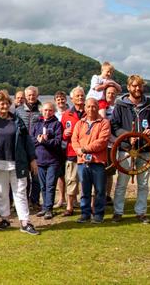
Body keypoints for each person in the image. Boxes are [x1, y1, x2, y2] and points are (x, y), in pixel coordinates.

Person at [0, 91, 40, 235]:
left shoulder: (17, 120)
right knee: (2, 193)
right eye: (1, 103)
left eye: (6, 103)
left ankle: (25, 222)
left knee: (20, 191)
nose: (4, 106)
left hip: (18, 162)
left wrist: (32, 159)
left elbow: (27, 140)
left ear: (10, 104)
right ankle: (5, 219)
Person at [111, 75, 150, 224]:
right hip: (125, 149)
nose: (137, 89)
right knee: (121, 183)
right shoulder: (120, 105)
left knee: (144, 184)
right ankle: (118, 212)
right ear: (128, 87)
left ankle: (141, 212)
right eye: (134, 86)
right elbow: (114, 126)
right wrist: (126, 136)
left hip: (145, 151)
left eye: (139, 86)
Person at [71, 98, 111, 224]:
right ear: (85, 108)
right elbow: (74, 139)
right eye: (88, 106)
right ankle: (85, 214)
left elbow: (102, 141)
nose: (91, 109)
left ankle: (98, 214)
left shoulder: (104, 123)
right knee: (85, 190)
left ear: (98, 107)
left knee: (99, 190)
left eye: (93, 106)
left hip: (98, 162)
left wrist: (84, 149)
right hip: (83, 161)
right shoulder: (79, 123)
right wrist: (78, 151)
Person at [31, 102, 63, 219]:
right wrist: (39, 140)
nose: (47, 112)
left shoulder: (57, 124)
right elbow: (31, 141)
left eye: (49, 110)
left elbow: (58, 142)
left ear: (53, 111)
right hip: (39, 160)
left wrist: (46, 141)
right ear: (41, 111)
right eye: (45, 110)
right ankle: (44, 207)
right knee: (43, 186)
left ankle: (49, 209)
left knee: (50, 185)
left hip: (52, 161)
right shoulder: (37, 124)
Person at [16, 86, 43, 210]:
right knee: (24, 178)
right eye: (29, 95)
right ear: (25, 96)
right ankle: (24, 202)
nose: (31, 97)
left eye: (33, 95)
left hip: (37, 147)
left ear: (37, 96)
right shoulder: (18, 111)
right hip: (22, 148)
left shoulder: (42, 110)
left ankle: (35, 201)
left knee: (36, 177)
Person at [61, 86, 86, 216]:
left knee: (87, 180)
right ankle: (70, 207)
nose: (80, 98)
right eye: (77, 96)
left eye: (82, 95)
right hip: (72, 152)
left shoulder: (91, 112)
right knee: (71, 180)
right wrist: (65, 134)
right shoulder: (66, 115)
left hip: (88, 152)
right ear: (72, 99)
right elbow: (61, 135)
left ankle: (87, 206)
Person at [100, 85, 120, 204]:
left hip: (115, 143)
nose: (111, 95)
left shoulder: (119, 107)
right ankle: (100, 194)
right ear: (105, 94)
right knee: (101, 170)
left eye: (113, 93)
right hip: (104, 143)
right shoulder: (102, 106)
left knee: (110, 172)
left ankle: (107, 195)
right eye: (108, 93)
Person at [53, 90, 69, 209]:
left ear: (66, 100)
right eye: (58, 99)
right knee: (60, 174)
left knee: (72, 174)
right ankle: (61, 199)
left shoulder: (71, 113)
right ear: (55, 101)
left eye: (62, 99)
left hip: (69, 146)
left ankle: (71, 199)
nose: (60, 101)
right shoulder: (53, 114)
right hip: (57, 147)